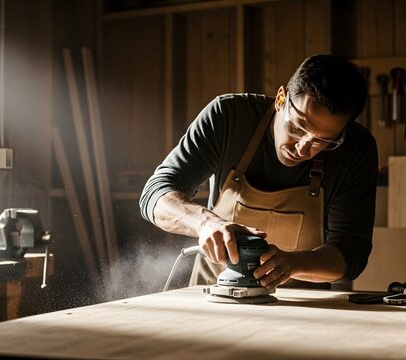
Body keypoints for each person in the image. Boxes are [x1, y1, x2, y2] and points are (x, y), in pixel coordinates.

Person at [139, 54, 377, 289]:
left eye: (322, 141)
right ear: (281, 99)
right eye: (297, 127)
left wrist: (293, 264)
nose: (303, 149)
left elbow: (351, 254)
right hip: (214, 295)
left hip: (302, 309)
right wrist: (205, 223)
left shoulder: (355, 149)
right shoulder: (228, 118)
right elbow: (155, 194)